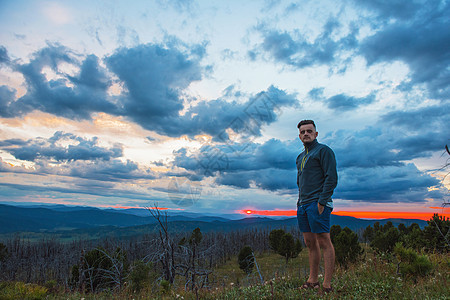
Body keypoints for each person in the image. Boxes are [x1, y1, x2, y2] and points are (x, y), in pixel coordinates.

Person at [296, 119, 337, 293]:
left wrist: (322, 201)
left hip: (317, 203)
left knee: (323, 240)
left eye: (309, 131)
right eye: (303, 131)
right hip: (303, 204)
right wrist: (300, 202)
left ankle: (326, 284)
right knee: (309, 242)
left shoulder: (323, 151)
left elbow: (331, 177)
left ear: (316, 134)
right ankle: (313, 280)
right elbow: (300, 181)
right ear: (299, 135)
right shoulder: (300, 157)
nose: (306, 134)